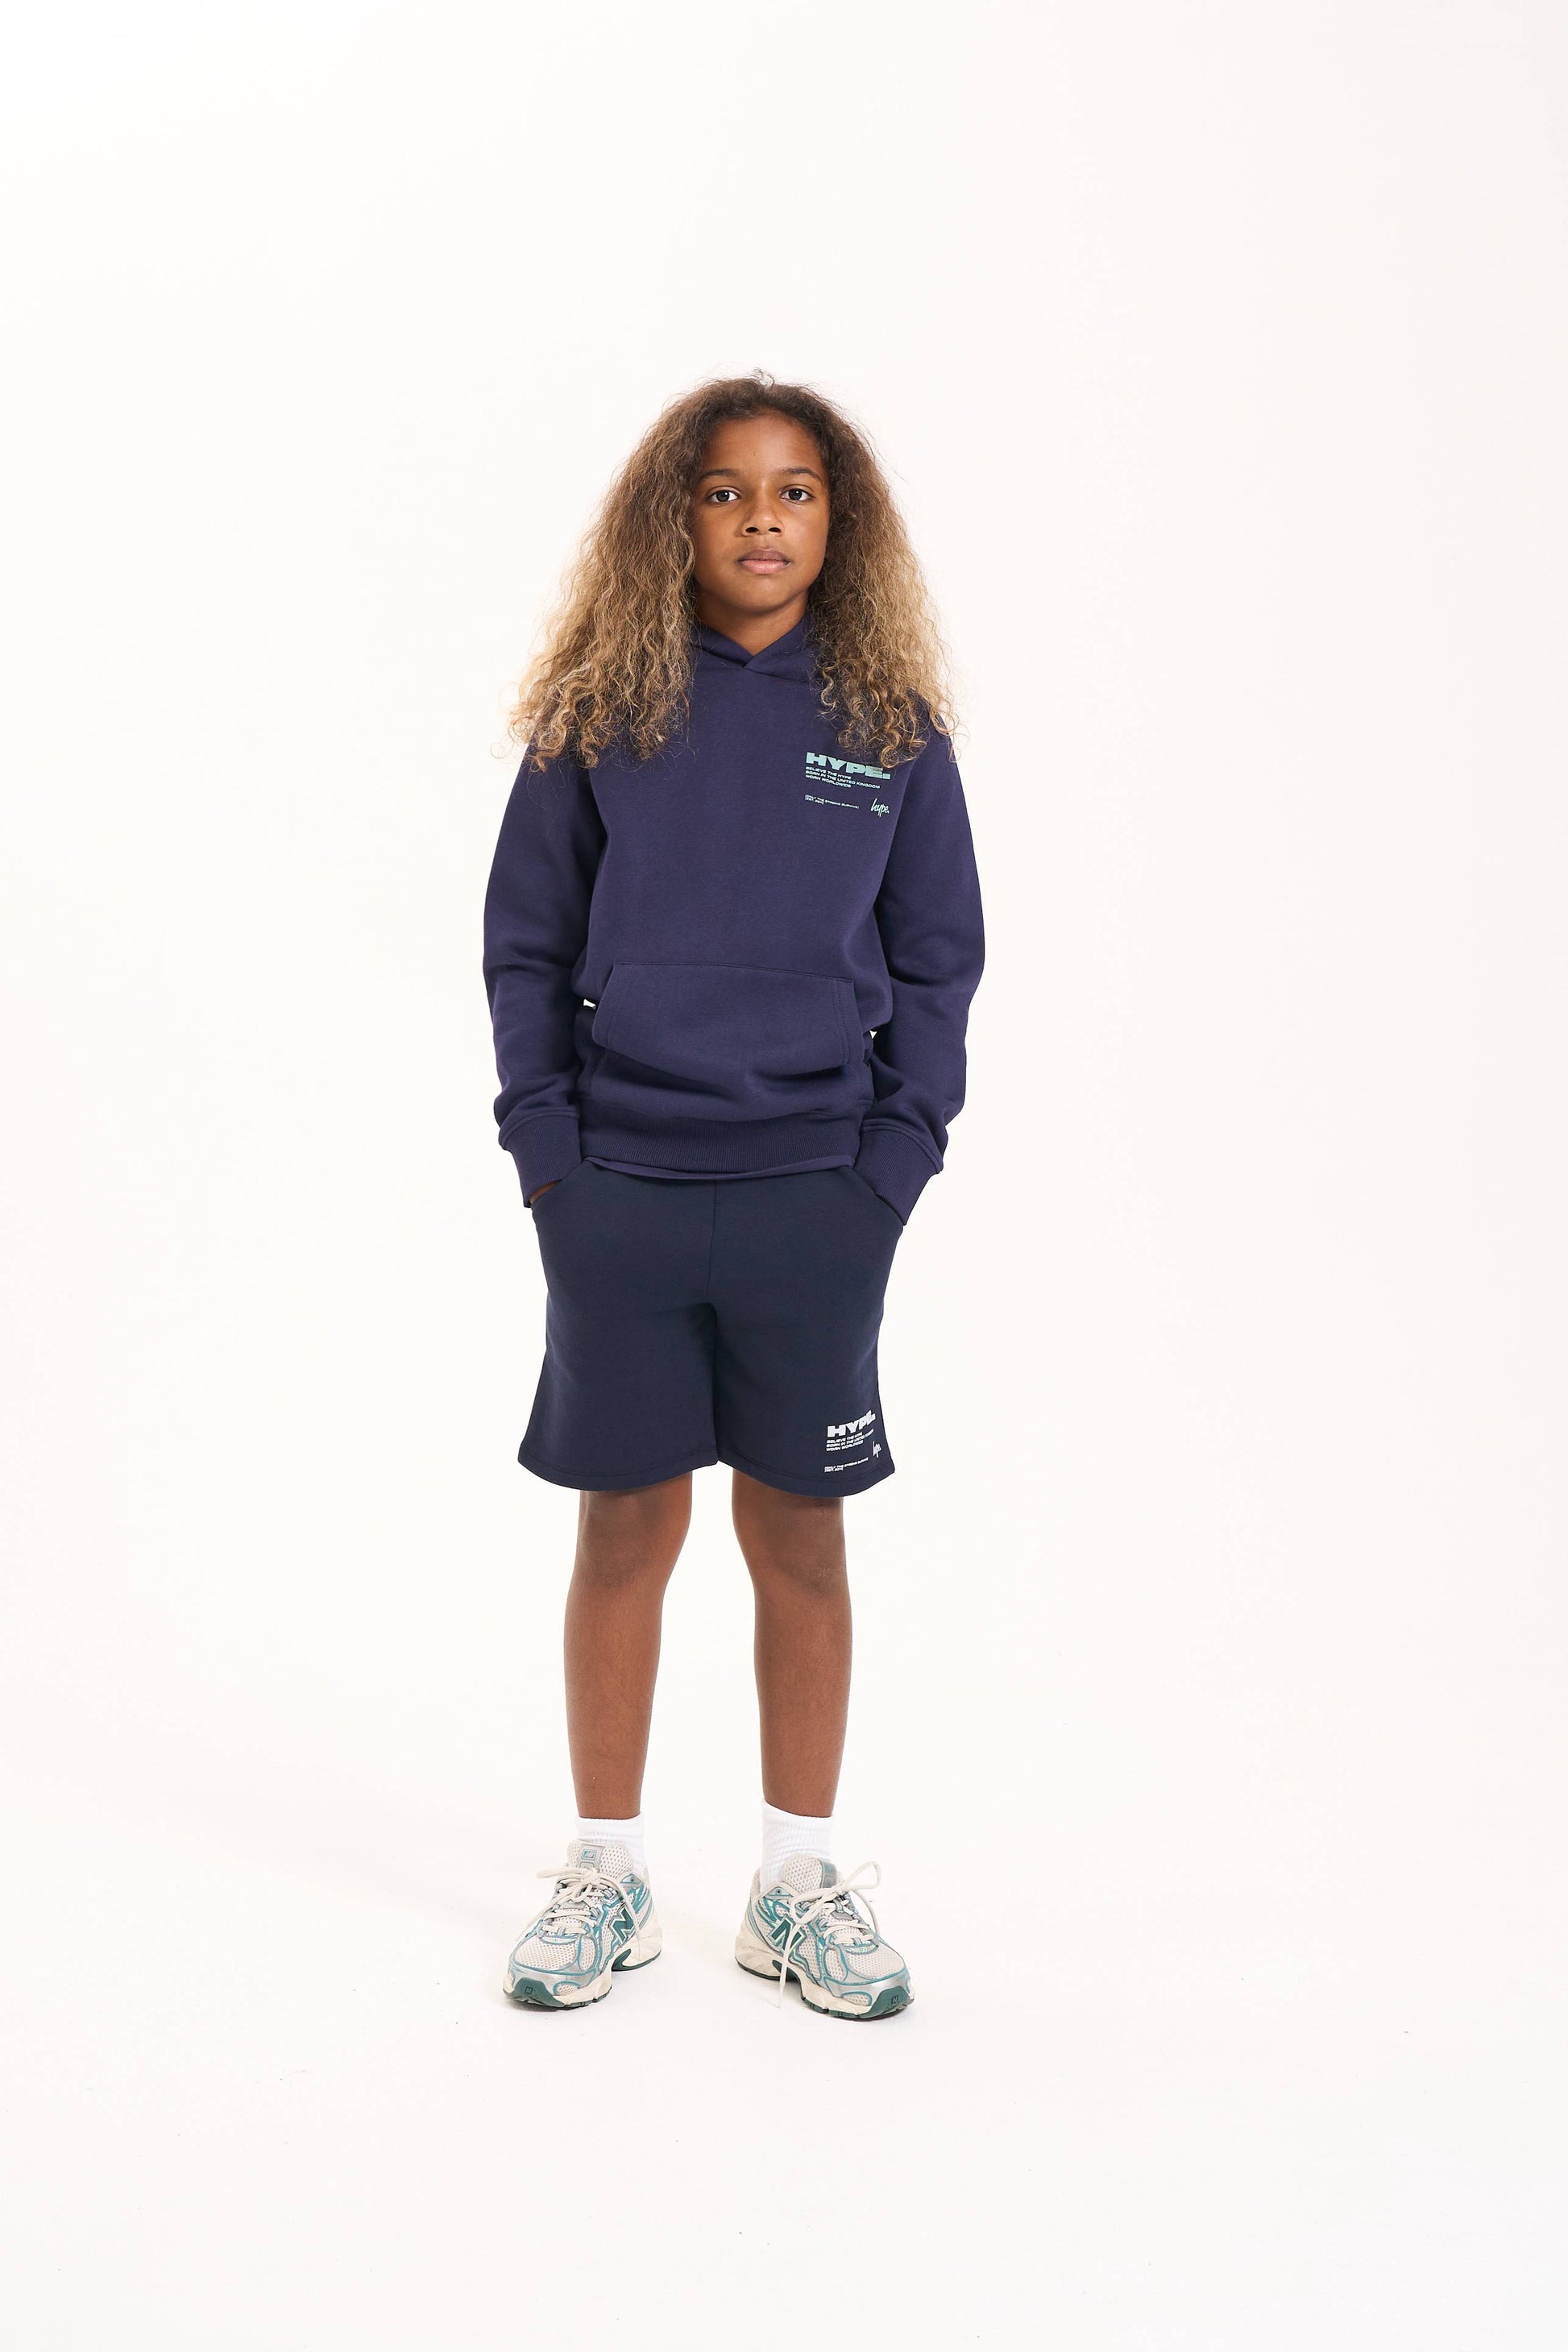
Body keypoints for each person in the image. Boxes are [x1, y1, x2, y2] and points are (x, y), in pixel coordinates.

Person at [483, 373, 984, 2018]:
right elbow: (523, 944)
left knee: (801, 1534)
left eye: (793, 490)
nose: (760, 516)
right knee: (623, 1527)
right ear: (674, 517)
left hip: (814, 1195)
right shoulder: (598, 711)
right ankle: (607, 1872)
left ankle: (794, 1882)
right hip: (618, 1185)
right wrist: (550, 1155)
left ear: (840, 522)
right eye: (723, 489)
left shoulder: (889, 722)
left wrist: (889, 1166)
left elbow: (939, 960)